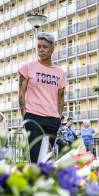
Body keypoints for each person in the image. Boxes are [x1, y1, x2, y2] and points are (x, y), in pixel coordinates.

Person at [18, 32, 67, 163]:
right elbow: (21, 93)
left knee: (48, 158)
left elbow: (61, 99)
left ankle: (46, 182)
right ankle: (35, 181)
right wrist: (25, 116)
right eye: (39, 46)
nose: (41, 50)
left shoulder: (60, 73)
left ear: (52, 49)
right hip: (33, 117)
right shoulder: (28, 67)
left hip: (53, 120)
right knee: (35, 157)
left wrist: (59, 118)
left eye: (44, 47)